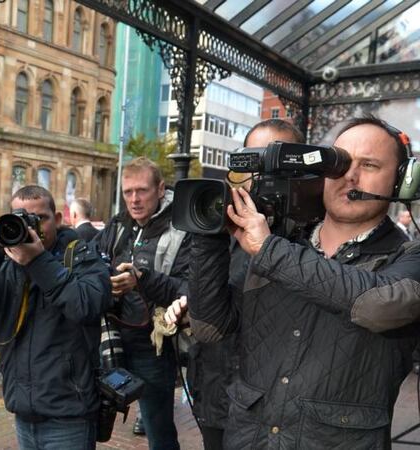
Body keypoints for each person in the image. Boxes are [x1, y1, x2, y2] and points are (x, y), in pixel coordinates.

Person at [187, 116, 420, 448]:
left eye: (369, 165)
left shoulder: (408, 256)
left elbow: (379, 306)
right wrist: (208, 237)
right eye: (339, 162)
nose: (350, 175)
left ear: (400, 182)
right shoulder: (281, 244)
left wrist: (268, 250)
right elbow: (209, 328)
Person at [165, 119, 305, 449]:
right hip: (217, 393)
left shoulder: (315, 233)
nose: (265, 177)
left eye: (279, 163)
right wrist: (191, 303)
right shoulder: (229, 223)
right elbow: (212, 290)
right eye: (256, 163)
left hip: (279, 410)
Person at [0, 185, 111, 449]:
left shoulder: (80, 255)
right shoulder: (7, 262)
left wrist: (38, 261)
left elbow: (87, 305)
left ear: (58, 219)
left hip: (69, 415)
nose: (32, 228)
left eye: (40, 218)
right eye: (22, 219)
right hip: (22, 410)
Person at [94, 157, 190, 450]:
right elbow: (92, 257)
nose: (134, 200)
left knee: (157, 425)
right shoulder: (118, 223)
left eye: (142, 191)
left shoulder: (182, 227)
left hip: (154, 345)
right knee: (98, 414)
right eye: (127, 192)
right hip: (112, 336)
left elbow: (187, 289)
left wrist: (142, 280)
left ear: (160, 189)